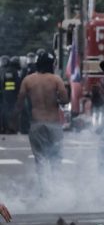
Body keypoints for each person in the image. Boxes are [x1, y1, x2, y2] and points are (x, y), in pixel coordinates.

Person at [14, 52, 69, 187]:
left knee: (40, 159)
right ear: (51, 65)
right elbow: (65, 100)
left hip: (37, 124)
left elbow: (19, 102)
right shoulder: (56, 80)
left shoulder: (28, 80)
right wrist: (55, 99)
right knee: (56, 159)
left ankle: (43, 189)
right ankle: (56, 189)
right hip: (54, 124)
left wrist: (14, 119)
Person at [0, 56, 21, 134]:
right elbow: (16, 83)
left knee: (4, 111)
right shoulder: (11, 71)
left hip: (5, 94)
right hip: (10, 94)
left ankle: (5, 128)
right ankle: (9, 129)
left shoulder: (4, 70)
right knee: (9, 111)